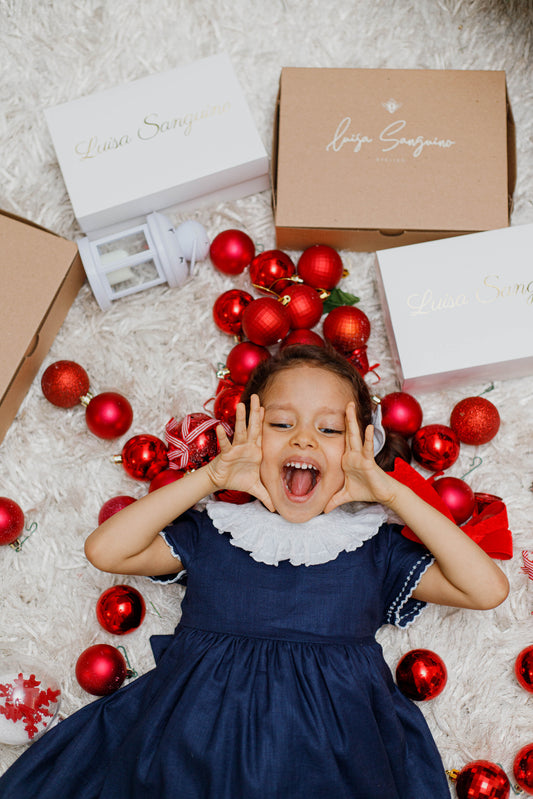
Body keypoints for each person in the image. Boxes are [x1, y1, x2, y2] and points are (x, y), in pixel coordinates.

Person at [0, 344, 508, 799]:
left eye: (330, 429)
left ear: (361, 446)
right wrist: (211, 476)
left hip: (337, 753)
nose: (304, 440)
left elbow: (487, 590)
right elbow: (105, 550)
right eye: (281, 424)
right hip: (193, 739)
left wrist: (391, 492)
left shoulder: (373, 547)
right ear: (247, 436)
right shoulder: (218, 531)